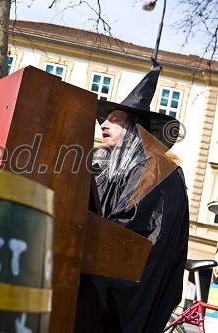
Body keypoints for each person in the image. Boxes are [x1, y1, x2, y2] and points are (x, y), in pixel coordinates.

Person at [75, 58, 189, 333]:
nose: (104, 124)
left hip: (129, 291)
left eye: (115, 119)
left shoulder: (156, 169)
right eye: (104, 119)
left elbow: (133, 234)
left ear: (135, 129)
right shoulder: (113, 167)